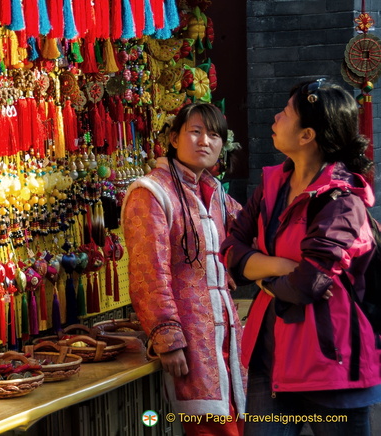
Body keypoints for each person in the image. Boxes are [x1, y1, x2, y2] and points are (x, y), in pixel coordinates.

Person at [221, 79, 381, 436]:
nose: (276, 117)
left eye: (286, 112)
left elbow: (307, 285)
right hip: (271, 360)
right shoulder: (271, 186)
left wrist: (259, 272)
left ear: (307, 134)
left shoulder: (341, 202)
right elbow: (230, 249)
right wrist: (279, 267)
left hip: (330, 366)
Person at [123, 102, 247, 436]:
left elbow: (247, 234)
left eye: (215, 135)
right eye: (195, 131)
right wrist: (168, 337)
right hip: (190, 339)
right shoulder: (151, 191)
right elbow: (149, 272)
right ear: (175, 138)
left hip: (227, 335)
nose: (205, 141)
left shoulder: (215, 192)